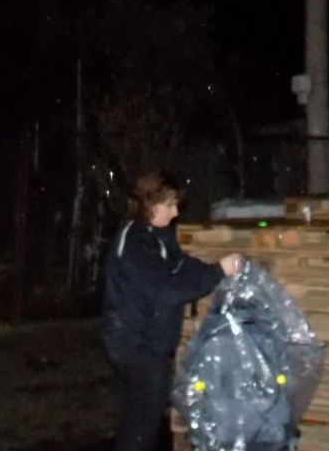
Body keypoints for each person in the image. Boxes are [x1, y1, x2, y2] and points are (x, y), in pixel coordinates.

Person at [102, 171, 243, 451]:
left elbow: (182, 267)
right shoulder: (136, 242)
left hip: (147, 344)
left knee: (143, 421)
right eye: (170, 205)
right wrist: (218, 272)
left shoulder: (157, 236)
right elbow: (166, 291)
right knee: (141, 426)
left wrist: (215, 269)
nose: (176, 212)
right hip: (136, 347)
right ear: (151, 205)